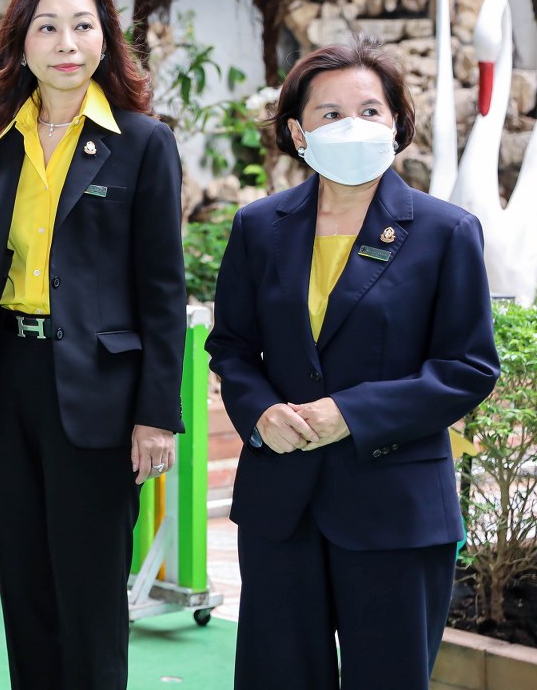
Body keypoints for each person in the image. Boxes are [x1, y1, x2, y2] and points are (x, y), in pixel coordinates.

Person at [207, 41, 499, 690]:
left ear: (396, 123)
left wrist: (350, 414)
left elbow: (468, 367)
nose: (353, 125)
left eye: (369, 110)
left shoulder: (446, 232)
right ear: (297, 132)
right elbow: (231, 347)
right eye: (330, 113)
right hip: (282, 507)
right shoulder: (259, 227)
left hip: (395, 509)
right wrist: (260, 413)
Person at [0, 0, 187, 690]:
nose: (66, 43)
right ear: (22, 43)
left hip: (100, 394)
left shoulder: (143, 143)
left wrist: (157, 414)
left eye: (82, 25)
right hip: (7, 383)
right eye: (47, 27)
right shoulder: (0, 144)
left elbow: (162, 291)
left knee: (91, 596)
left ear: (106, 38)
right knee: (26, 591)